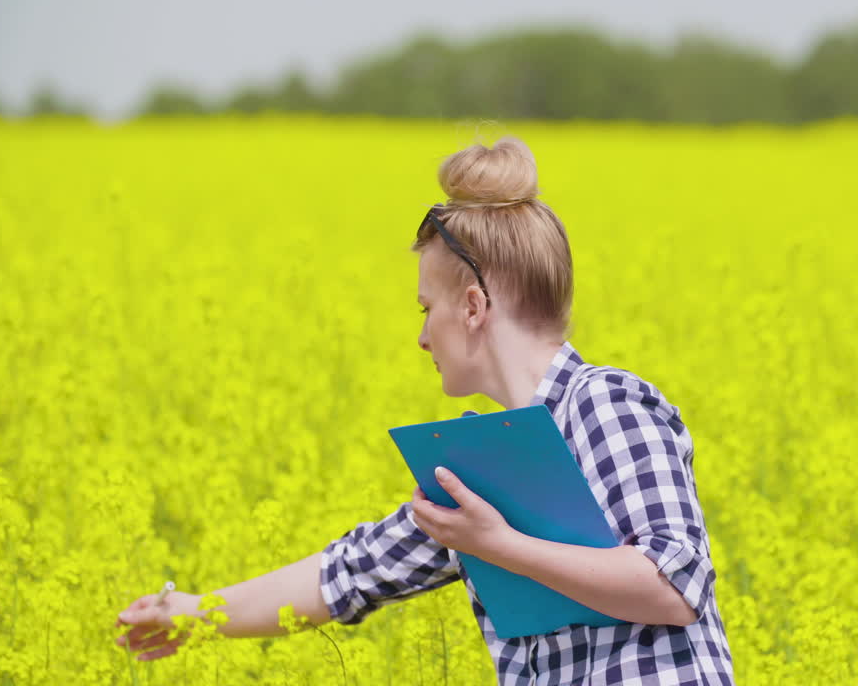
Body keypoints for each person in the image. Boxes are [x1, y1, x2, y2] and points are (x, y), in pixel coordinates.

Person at [114, 136, 735, 685]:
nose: (420, 338)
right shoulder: (481, 462)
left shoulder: (605, 403)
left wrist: (499, 544)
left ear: (471, 308)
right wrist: (196, 613)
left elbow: (673, 584)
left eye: (423, 310)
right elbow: (347, 574)